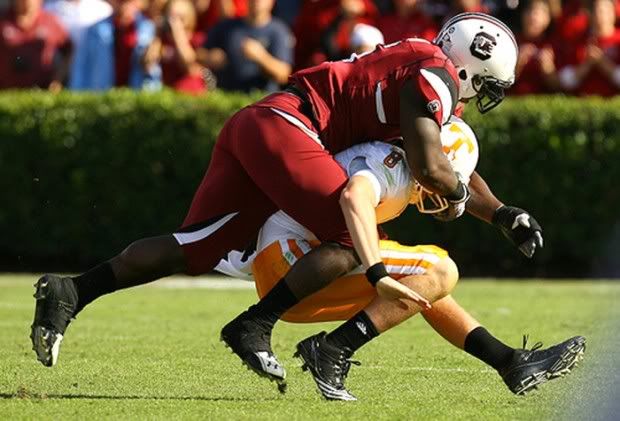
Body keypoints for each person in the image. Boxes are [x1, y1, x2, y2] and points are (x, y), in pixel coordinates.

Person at [30, 14, 529, 391]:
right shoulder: (434, 74)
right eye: (486, 83)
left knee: (198, 247)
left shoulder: (422, 60)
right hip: (290, 127)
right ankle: (255, 325)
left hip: (262, 123)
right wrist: (458, 199)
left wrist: (500, 211)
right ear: (471, 65)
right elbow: (431, 167)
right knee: (350, 234)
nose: (480, 96)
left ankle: (71, 292)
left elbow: (445, 161)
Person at [215, 117, 583, 400]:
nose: (454, 192)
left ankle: (508, 363)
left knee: (423, 283)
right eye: (450, 179)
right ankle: (332, 350)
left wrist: (501, 213)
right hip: (292, 264)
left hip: (295, 272)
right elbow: (355, 195)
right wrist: (376, 272)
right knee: (439, 269)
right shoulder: (388, 162)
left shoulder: (406, 163)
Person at [197, 0, 292, 92]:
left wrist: (261, 57)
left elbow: (284, 75)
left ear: (272, 2)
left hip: (260, 99)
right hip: (224, 96)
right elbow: (199, 54)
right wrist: (209, 57)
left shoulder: (278, 31)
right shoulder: (227, 26)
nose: (256, 1)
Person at [69, 0, 161, 90]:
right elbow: (81, 69)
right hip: (102, 97)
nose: (124, 5)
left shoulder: (148, 29)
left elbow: (154, 74)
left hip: (136, 95)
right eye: (120, 1)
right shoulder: (95, 30)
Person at [0, 0, 72, 91]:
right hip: (6, 92)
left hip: (42, 92)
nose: (27, 2)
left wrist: (58, 79)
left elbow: (69, 49)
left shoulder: (50, 21)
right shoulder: (3, 21)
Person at [556, 0, 620, 96]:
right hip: (583, 103)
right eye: (597, 10)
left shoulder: (618, 40)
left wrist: (601, 62)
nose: (600, 15)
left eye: (605, 10)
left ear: (613, 13)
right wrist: (587, 64)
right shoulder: (579, 40)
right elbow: (565, 81)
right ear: (590, 13)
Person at [143, 0, 208, 94]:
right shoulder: (163, 41)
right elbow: (148, 64)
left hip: (192, 95)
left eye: (180, 17)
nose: (173, 21)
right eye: (171, 16)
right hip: (169, 95)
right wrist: (156, 36)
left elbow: (190, 68)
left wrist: (178, 35)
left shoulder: (197, 39)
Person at [510, 0, 559, 95]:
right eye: (529, 11)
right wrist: (517, 66)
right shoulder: (511, 42)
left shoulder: (553, 46)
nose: (533, 17)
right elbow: (499, 85)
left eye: (540, 12)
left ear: (548, 19)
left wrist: (548, 70)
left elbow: (561, 88)